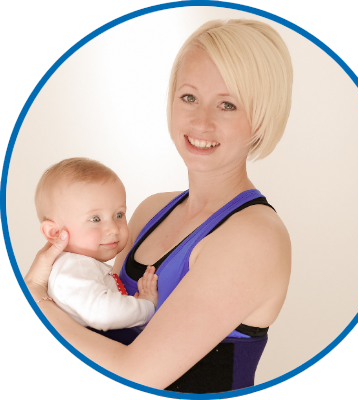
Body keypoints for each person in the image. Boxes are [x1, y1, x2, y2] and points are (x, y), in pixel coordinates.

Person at [25, 19, 292, 393]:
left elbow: (134, 374)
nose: (201, 121)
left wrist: (37, 298)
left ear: (261, 120)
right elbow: (98, 323)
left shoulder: (253, 237)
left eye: (228, 105)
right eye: (189, 97)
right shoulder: (150, 211)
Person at [34, 157, 158, 331]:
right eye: (95, 219)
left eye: (119, 215)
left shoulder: (77, 265)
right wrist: (146, 306)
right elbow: (103, 314)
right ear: (54, 233)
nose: (113, 228)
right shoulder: (73, 268)